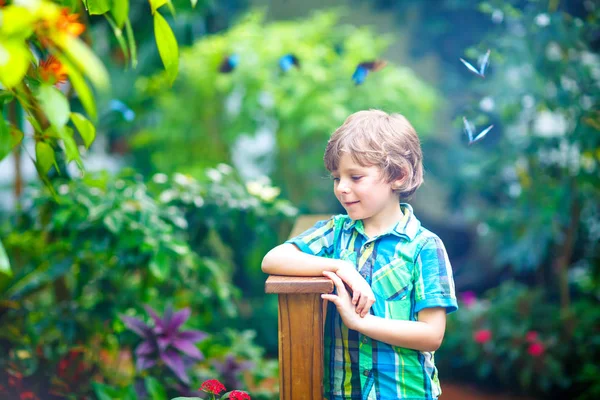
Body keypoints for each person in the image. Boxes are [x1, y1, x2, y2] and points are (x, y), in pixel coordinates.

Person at [261, 109, 458, 400]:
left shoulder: (424, 246)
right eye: (336, 177)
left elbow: (431, 335)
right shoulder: (335, 232)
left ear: (398, 176)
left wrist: (361, 323)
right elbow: (273, 259)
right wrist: (342, 267)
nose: (342, 188)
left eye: (355, 177)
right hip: (342, 393)